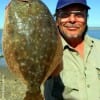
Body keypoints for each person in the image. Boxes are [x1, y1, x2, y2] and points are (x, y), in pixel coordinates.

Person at [44, 0, 100, 100]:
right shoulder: (46, 50)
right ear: (57, 20)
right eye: (65, 14)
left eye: (79, 14)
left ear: (86, 18)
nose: (72, 20)